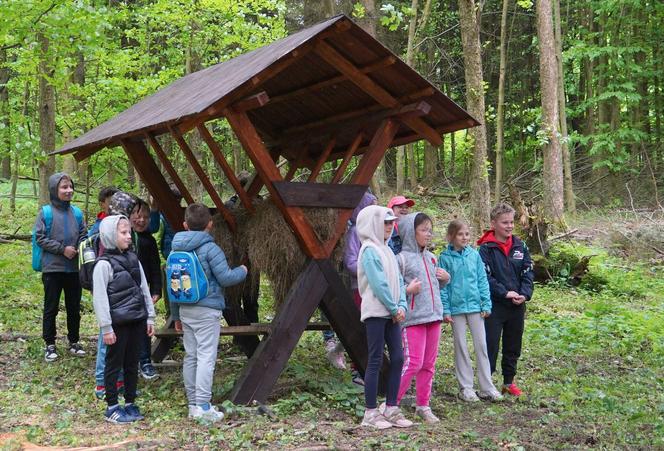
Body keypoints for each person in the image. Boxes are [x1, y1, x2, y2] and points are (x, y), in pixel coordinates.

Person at [171, 203, 247, 423]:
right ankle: (204, 406)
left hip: (185, 308)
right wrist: (242, 271)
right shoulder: (211, 248)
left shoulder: (177, 248)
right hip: (207, 309)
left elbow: (173, 285)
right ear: (210, 225)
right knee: (206, 357)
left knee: (191, 356)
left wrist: (176, 315)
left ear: (185, 225)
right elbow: (225, 278)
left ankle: (193, 405)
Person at [92, 215, 156, 423]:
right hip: (117, 324)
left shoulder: (133, 259)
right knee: (114, 364)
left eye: (129, 232)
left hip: (137, 320)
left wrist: (150, 317)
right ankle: (112, 406)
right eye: (123, 233)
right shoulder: (103, 265)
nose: (129, 236)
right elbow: (100, 298)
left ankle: (130, 402)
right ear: (110, 235)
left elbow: (143, 289)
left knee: (131, 363)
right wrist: (106, 327)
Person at [357, 205, 412, 429]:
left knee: (398, 358)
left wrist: (401, 305)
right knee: (375, 360)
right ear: (374, 224)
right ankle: (370, 413)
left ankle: (391, 407)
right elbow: (378, 284)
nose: (391, 226)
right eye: (386, 222)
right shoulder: (369, 250)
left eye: (392, 222)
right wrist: (393, 306)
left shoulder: (388, 249)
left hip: (393, 314)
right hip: (377, 313)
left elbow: (398, 280)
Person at [394, 212, 449, 423]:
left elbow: (433, 286)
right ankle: (392, 402)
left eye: (430, 230)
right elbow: (395, 289)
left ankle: (423, 406)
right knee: (413, 362)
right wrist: (408, 290)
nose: (429, 234)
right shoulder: (401, 260)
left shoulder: (431, 257)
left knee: (429, 364)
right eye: (424, 230)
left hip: (434, 317)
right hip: (413, 319)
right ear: (410, 232)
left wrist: (445, 279)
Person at [439, 219, 503, 403]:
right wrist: (446, 310)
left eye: (467, 234)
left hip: (475, 307)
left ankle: (487, 386)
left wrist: (486, 303)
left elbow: (482, 280)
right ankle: (466, 387)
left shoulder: (474, 255)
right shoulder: (444, 258)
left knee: (481, 346)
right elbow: (443, 287)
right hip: (456, 308)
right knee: (461, 346)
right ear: (451, 236)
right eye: (460, 234)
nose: (465, 237)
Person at [477, 203, 534, 397]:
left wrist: (524, 294)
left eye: (511, 222)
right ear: (493, 223)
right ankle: (487, 383)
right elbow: (485, 277)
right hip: (494, 305)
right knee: (491, 344)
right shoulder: (486, 249)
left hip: (517, 305)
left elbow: (528, 271)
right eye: (504, 223)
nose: (509, 226)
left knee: (513, 344)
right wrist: (504, 292)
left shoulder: (520, 246)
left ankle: (509, 382)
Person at [34, 172, 87, 362]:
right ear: (54, 190)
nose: (69, 190)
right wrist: (62, 249)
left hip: (74, 269)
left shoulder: (77, 213)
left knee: (74, 307)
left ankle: (74, 341)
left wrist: (79, 246)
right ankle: (50, 344)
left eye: (70, 187)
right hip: (52, 269)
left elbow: (84, 234)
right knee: (51, 307)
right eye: (64, 187)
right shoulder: (45, 213)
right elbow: (40, 238)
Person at [93, 191, 137, 399]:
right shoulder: (108, 231)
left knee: (118, 340)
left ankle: (116, 379)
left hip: (124, 293)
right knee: (106, 337)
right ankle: (103, 382)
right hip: (111, 291)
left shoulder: (125, 231)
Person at [340, 190, 377, 385]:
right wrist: (370, 271)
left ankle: (372, 367)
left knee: (375, 330)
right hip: (360, 288)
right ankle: (357, 370)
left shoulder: (378, 232)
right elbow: (350, 262)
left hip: (377, 290)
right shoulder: (355, 232)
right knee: (361, 328)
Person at [130, 198, 162, 380]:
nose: (141, 220)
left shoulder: (148, 240)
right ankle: (129, 363)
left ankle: (146, 362)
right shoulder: (121, 238)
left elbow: (155, 267)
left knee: (145, 326)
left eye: (146, 217)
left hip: (144, 292)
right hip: (124, 292)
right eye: (137, 215)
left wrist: (156, 290)